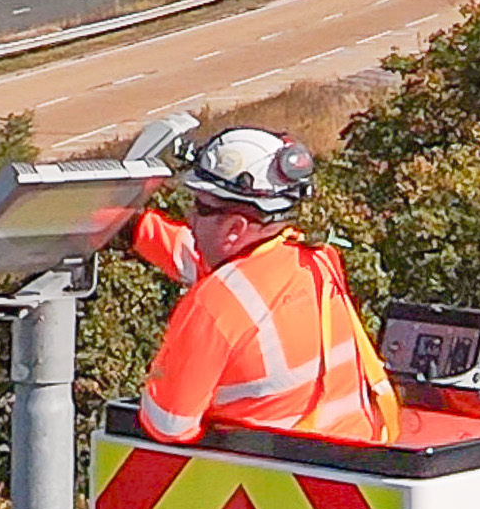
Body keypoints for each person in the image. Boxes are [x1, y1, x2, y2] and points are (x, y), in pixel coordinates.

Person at [130, 128, 398, 446]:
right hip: (356, 461)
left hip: (266, 479)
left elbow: (168, 425)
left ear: (236, 227)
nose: (189, 217)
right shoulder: (316, 263)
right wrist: (133, 228)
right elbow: (204, 260)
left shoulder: (215, 305)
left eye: (200, 207)